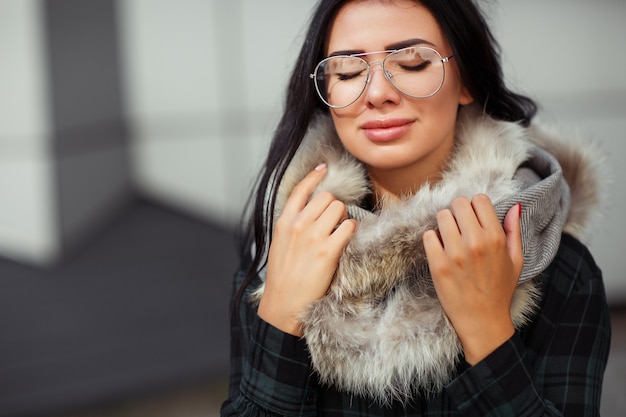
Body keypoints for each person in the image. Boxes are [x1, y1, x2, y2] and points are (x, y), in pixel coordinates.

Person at [221, 0, 611, 415]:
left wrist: (486, 331)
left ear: (468, 81)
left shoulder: (557, 270)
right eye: (348, 71)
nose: (377, 94)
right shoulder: (281, 256)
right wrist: (281, 313)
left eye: (411, 63)